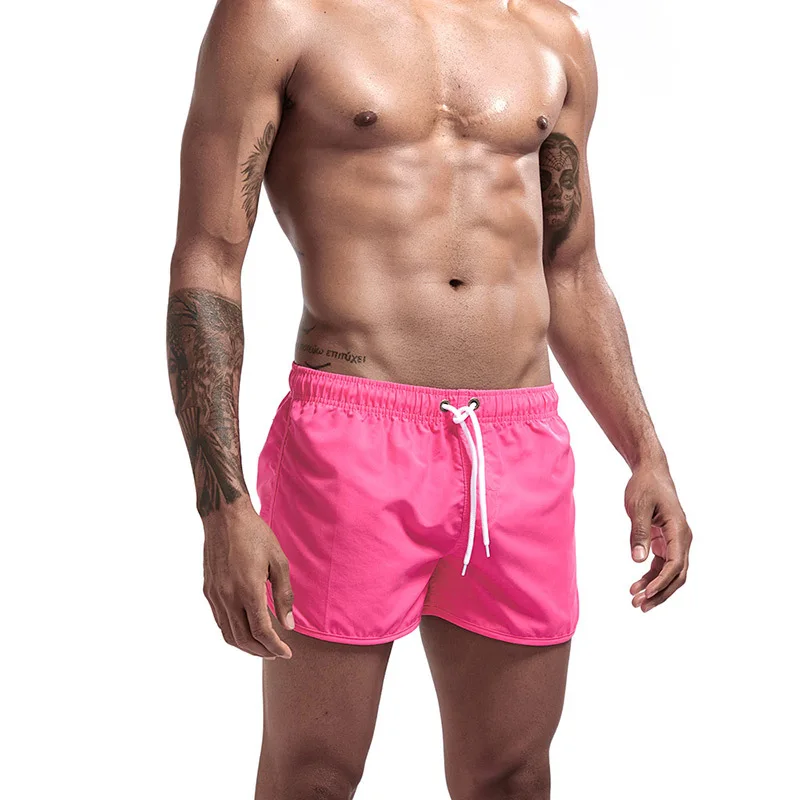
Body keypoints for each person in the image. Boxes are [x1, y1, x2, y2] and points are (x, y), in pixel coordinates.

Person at [166, 0, 693, 797]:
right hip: (350, 438)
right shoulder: (279, 17)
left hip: (517, 447)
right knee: (314, 775)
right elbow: (208, 262)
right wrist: (223, 505)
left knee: (511, 777)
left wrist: (645, 451)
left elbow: (572, 270)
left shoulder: (553, 35)